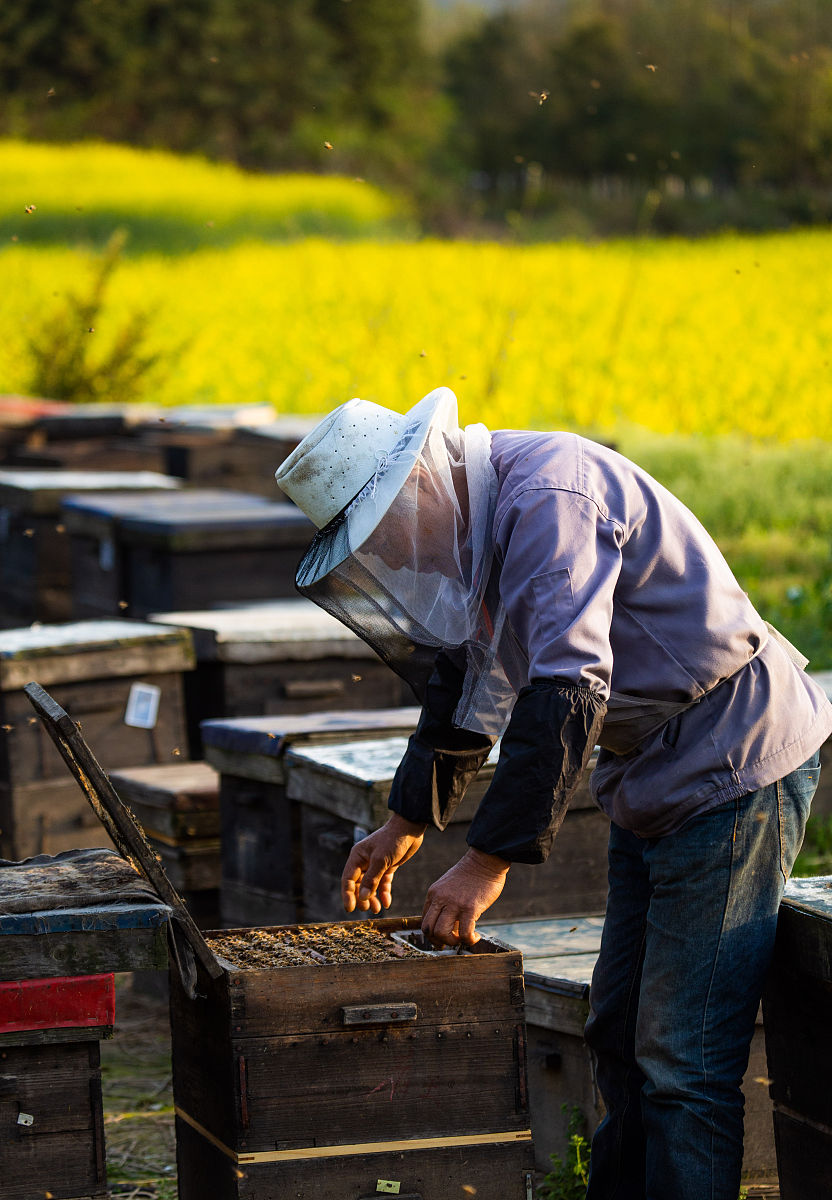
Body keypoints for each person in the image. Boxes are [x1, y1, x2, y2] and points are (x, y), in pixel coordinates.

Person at [275, 386, 832, 1200]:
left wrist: (485, 862)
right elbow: (470, 681)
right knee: (617, 1033)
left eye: (387, 538)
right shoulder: (482, 522)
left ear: (419, 483)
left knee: (682, 1061)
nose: (397, 561)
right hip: (648, 770)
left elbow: (568, 687)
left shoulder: (548, 496)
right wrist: (405, 819)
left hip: (731, 760)